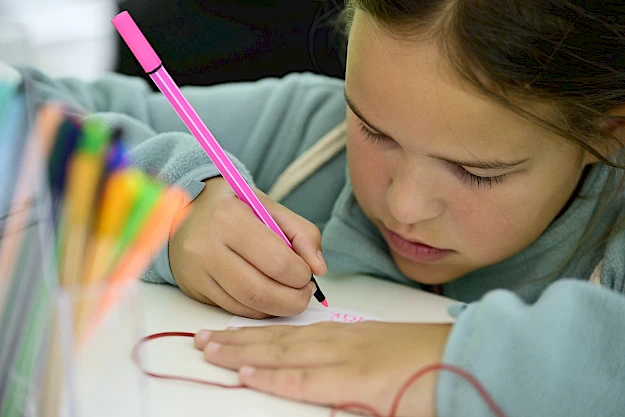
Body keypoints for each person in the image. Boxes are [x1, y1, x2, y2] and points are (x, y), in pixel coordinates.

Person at [20, 0, 625, 416]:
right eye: (373, 130)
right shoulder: (309, 136)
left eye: (477, 172)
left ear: (609, 133)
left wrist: (471, 362)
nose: (404, 205)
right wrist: (163, 202)